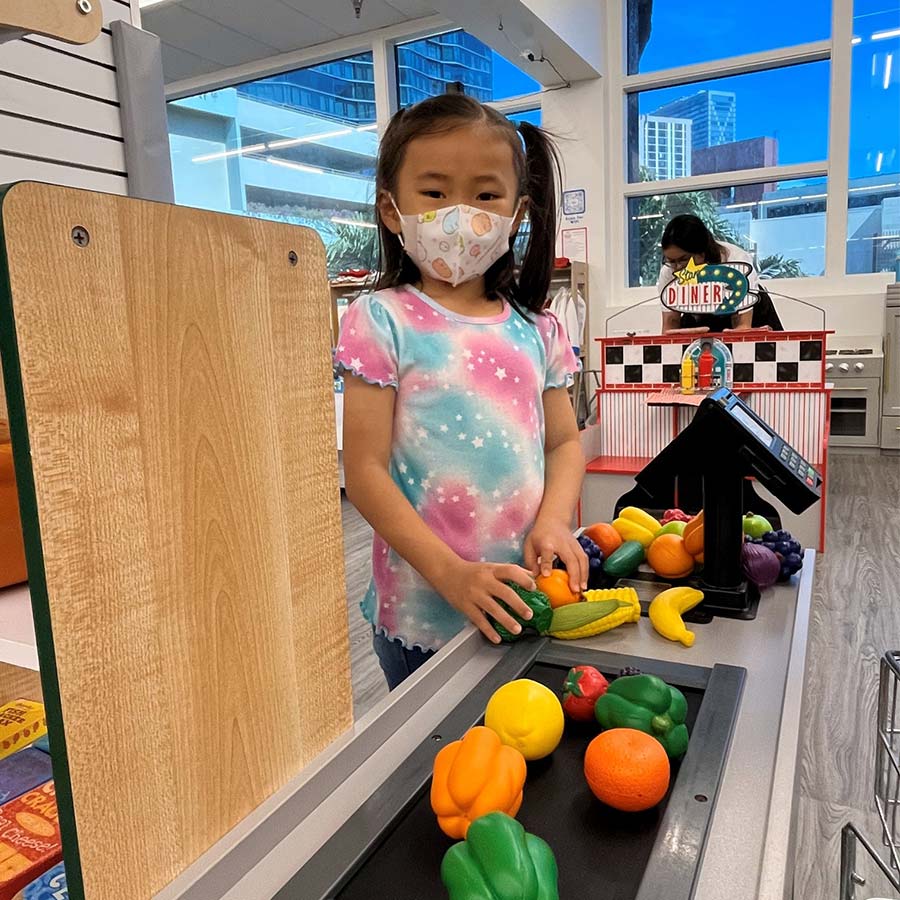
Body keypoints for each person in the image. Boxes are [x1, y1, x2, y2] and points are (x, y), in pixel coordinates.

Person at [335, 94, 587, 690]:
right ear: (392, 210)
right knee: (438, 773)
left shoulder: (538, 328)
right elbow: (365, 470)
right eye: (435, 192)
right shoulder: (381, 320)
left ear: (517, 214)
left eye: (485, 195)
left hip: (528, 596)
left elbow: (564, 445)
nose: (461, 214)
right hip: (423, 616)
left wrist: (554, 521)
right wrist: (451, 574)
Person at [656, 214, 782, 334]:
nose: (678, 268)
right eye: (671, 261)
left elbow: (743, 325)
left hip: (751, 315)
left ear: (702, 253)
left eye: (684, 260)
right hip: (701, 317)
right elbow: (670, 325)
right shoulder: (669, 271)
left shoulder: (736, 260)